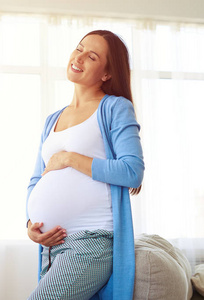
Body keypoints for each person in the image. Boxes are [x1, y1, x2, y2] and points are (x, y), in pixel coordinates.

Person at [26, 30, 144, 300]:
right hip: (52, 247)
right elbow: (37, 180)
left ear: (106, 74)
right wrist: (30, 225)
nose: (78, 57)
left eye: (91, 56)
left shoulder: (115, 108)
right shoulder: (52, 119)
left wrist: (69, 158)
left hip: (91, 241)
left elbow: (132, 171)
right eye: (78, 48)